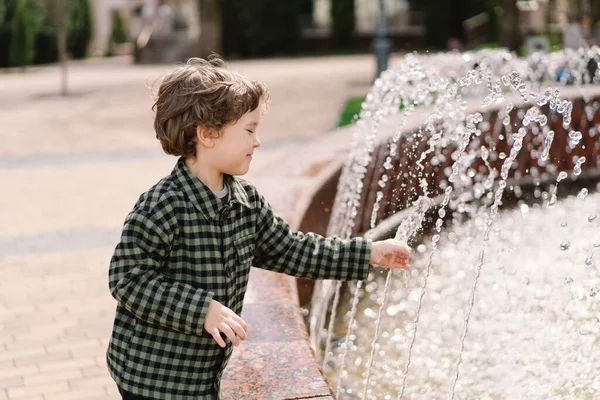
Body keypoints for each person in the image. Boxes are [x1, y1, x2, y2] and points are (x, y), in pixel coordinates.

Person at [106, 56, 412, 400]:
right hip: (152, 375)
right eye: (249, 130)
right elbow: (128, 278)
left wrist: (366, 252)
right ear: (207, 134)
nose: (257, 141)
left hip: (202, 372)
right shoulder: (163, 204)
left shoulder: (244, 201)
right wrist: (202, 309)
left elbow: (293, 249)